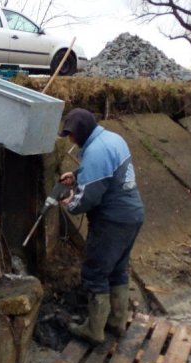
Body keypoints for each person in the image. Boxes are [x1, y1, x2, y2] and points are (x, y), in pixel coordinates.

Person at [59, 108, 144, 345]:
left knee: (95, 273)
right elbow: (106, 173)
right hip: (132, 215)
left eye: (72, 135)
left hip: (111, 221)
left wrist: (71, 204)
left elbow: (89, 198)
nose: (71, 140)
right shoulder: (113, 139)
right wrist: (77, 174)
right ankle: (116, 322)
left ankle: (94, 330)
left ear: (82, 132)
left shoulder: (95, 152)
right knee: (117, 269)